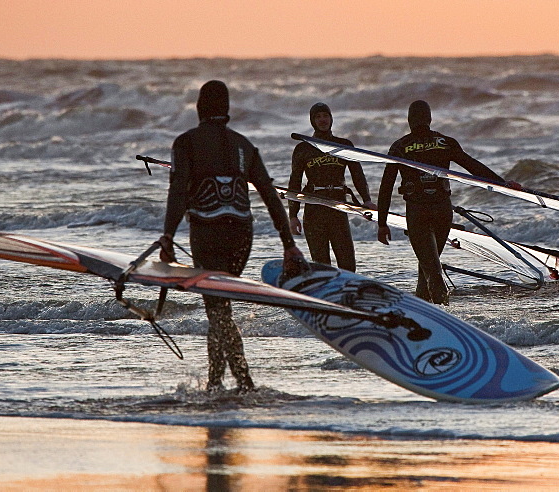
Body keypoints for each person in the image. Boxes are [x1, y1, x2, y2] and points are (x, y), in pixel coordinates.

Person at [157, 80, 306, 394]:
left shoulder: (186, 142)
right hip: (242, 235)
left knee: (217, 307)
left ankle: (243, 382)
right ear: (226, 109)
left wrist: (167, 236)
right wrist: (288, 244)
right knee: (219, 307)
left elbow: (178, 192)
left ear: (199, 107)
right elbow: (269, 194)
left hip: (207, 232)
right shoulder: (244, 145)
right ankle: (216, 382)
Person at [376, 100, 521, 305]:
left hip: (418, 212)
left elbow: (386, 186)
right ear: (430, 119)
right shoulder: (445, 142)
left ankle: (445, 321)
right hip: (443, 211)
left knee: (431, 270)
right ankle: (424, 314)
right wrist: (502, 183)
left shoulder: (400, 146)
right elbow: (473, 167)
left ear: (409, 121)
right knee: (427, 267)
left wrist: (382, 223)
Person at [288, 102, 375, 271]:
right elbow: (295, 183)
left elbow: (357, 175)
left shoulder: (343, 145)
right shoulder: (303, 148)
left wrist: (367, 200)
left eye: (325, 116)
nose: (322, 120)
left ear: (331, 118)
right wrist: (293, 215)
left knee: (348, 265)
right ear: (312, 121)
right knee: (322, 266)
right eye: (318, 117)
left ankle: (347, 295)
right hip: (314, 210)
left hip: (338, 208)